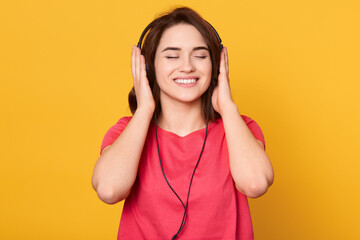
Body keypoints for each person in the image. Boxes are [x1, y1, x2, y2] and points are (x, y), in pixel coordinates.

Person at [92, 7, 274, 240]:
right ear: (148, 67)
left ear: (217, 66)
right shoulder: (128, 131)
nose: (187, 66)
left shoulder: (240, 128)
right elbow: (108, 190)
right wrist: (144, 109)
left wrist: (227, 107)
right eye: (171, 56)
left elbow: (256, 184)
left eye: (200, 55)